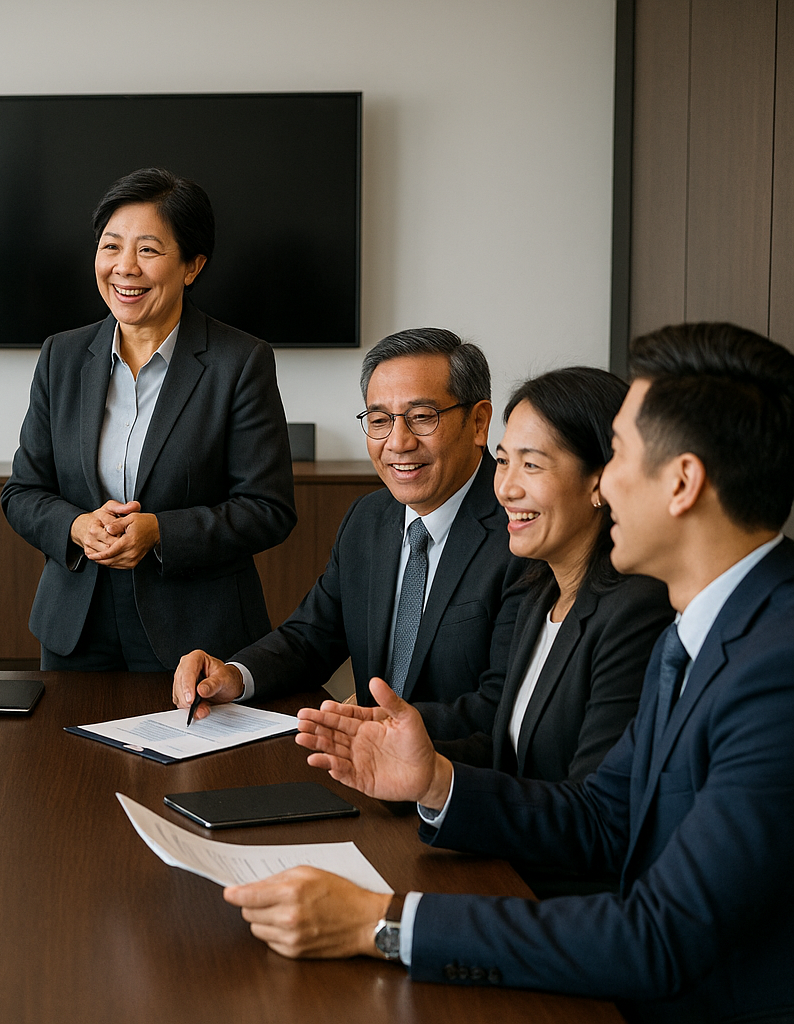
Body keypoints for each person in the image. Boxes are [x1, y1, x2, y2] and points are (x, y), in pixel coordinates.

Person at [226, 323, 794, 1023]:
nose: (605, 480)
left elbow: (659, 936)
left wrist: (383, 923)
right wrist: (435, 780)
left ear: (682, 483)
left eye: (618, 454)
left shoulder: (776, 669)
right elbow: (602, 817)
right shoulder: (699, 628)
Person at [0, 168, 296, 670]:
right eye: (111, 247)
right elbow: (23, 492)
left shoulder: (239, 362)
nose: (124, 267)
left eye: (148, 250)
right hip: (76, 628)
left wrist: (160, 531)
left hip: (196, 634)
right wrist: (76, 526)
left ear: (192, 266)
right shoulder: (61, 357)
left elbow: (268, 509)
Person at [174, 328, 525, 712]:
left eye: (422, 417)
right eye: (379, 420)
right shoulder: (367, 518)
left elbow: (503, 703)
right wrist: (234, 675)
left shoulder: (521, 531)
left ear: (478, 423)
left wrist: (383, 728)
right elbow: (310, 638)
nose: (398, 442)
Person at [418, 367, 674, 786]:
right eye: (503, 461)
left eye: (532, 465)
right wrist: (414, 759)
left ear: (601, 481)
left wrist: (437, 784)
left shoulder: (636, 610)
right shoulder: (541, 593)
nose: (506, 488)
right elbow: (511, 756)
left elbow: (594, 804)